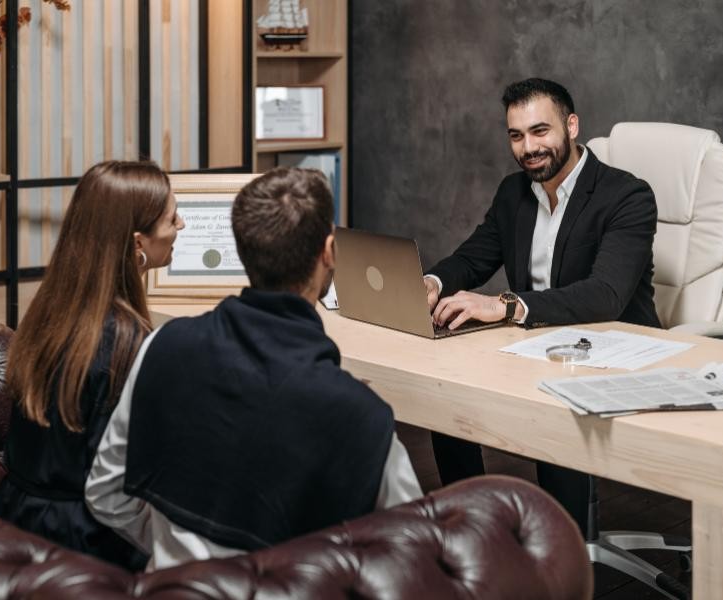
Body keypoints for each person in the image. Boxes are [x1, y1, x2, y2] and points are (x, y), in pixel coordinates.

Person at [85, 167, 423, 570]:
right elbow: (411, 557)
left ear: (243, 252)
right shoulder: (363, 416)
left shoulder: (162, 346)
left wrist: (176, 549)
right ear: (330, 252)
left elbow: (105, 493)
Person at [424, 78, 659, 534]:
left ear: (571, 126)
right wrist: (430, 282)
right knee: (446, 393)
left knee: (556, 405)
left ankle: (561, 551)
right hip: (535, 344)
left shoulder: (626, 196)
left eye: (540, 131)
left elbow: (605, 295)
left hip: (611, 351)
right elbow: (473, 258)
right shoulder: (514, 193)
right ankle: (471, 528)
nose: (528, 147)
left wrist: (506, 306)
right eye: (516, 135)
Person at [0, 160, 184, 570]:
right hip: (87, 545)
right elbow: (121, 490)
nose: (180, 225)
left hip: (14, 524)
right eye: (171, 218)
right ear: (137, 244)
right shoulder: (128, 342)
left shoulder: (48, 312)